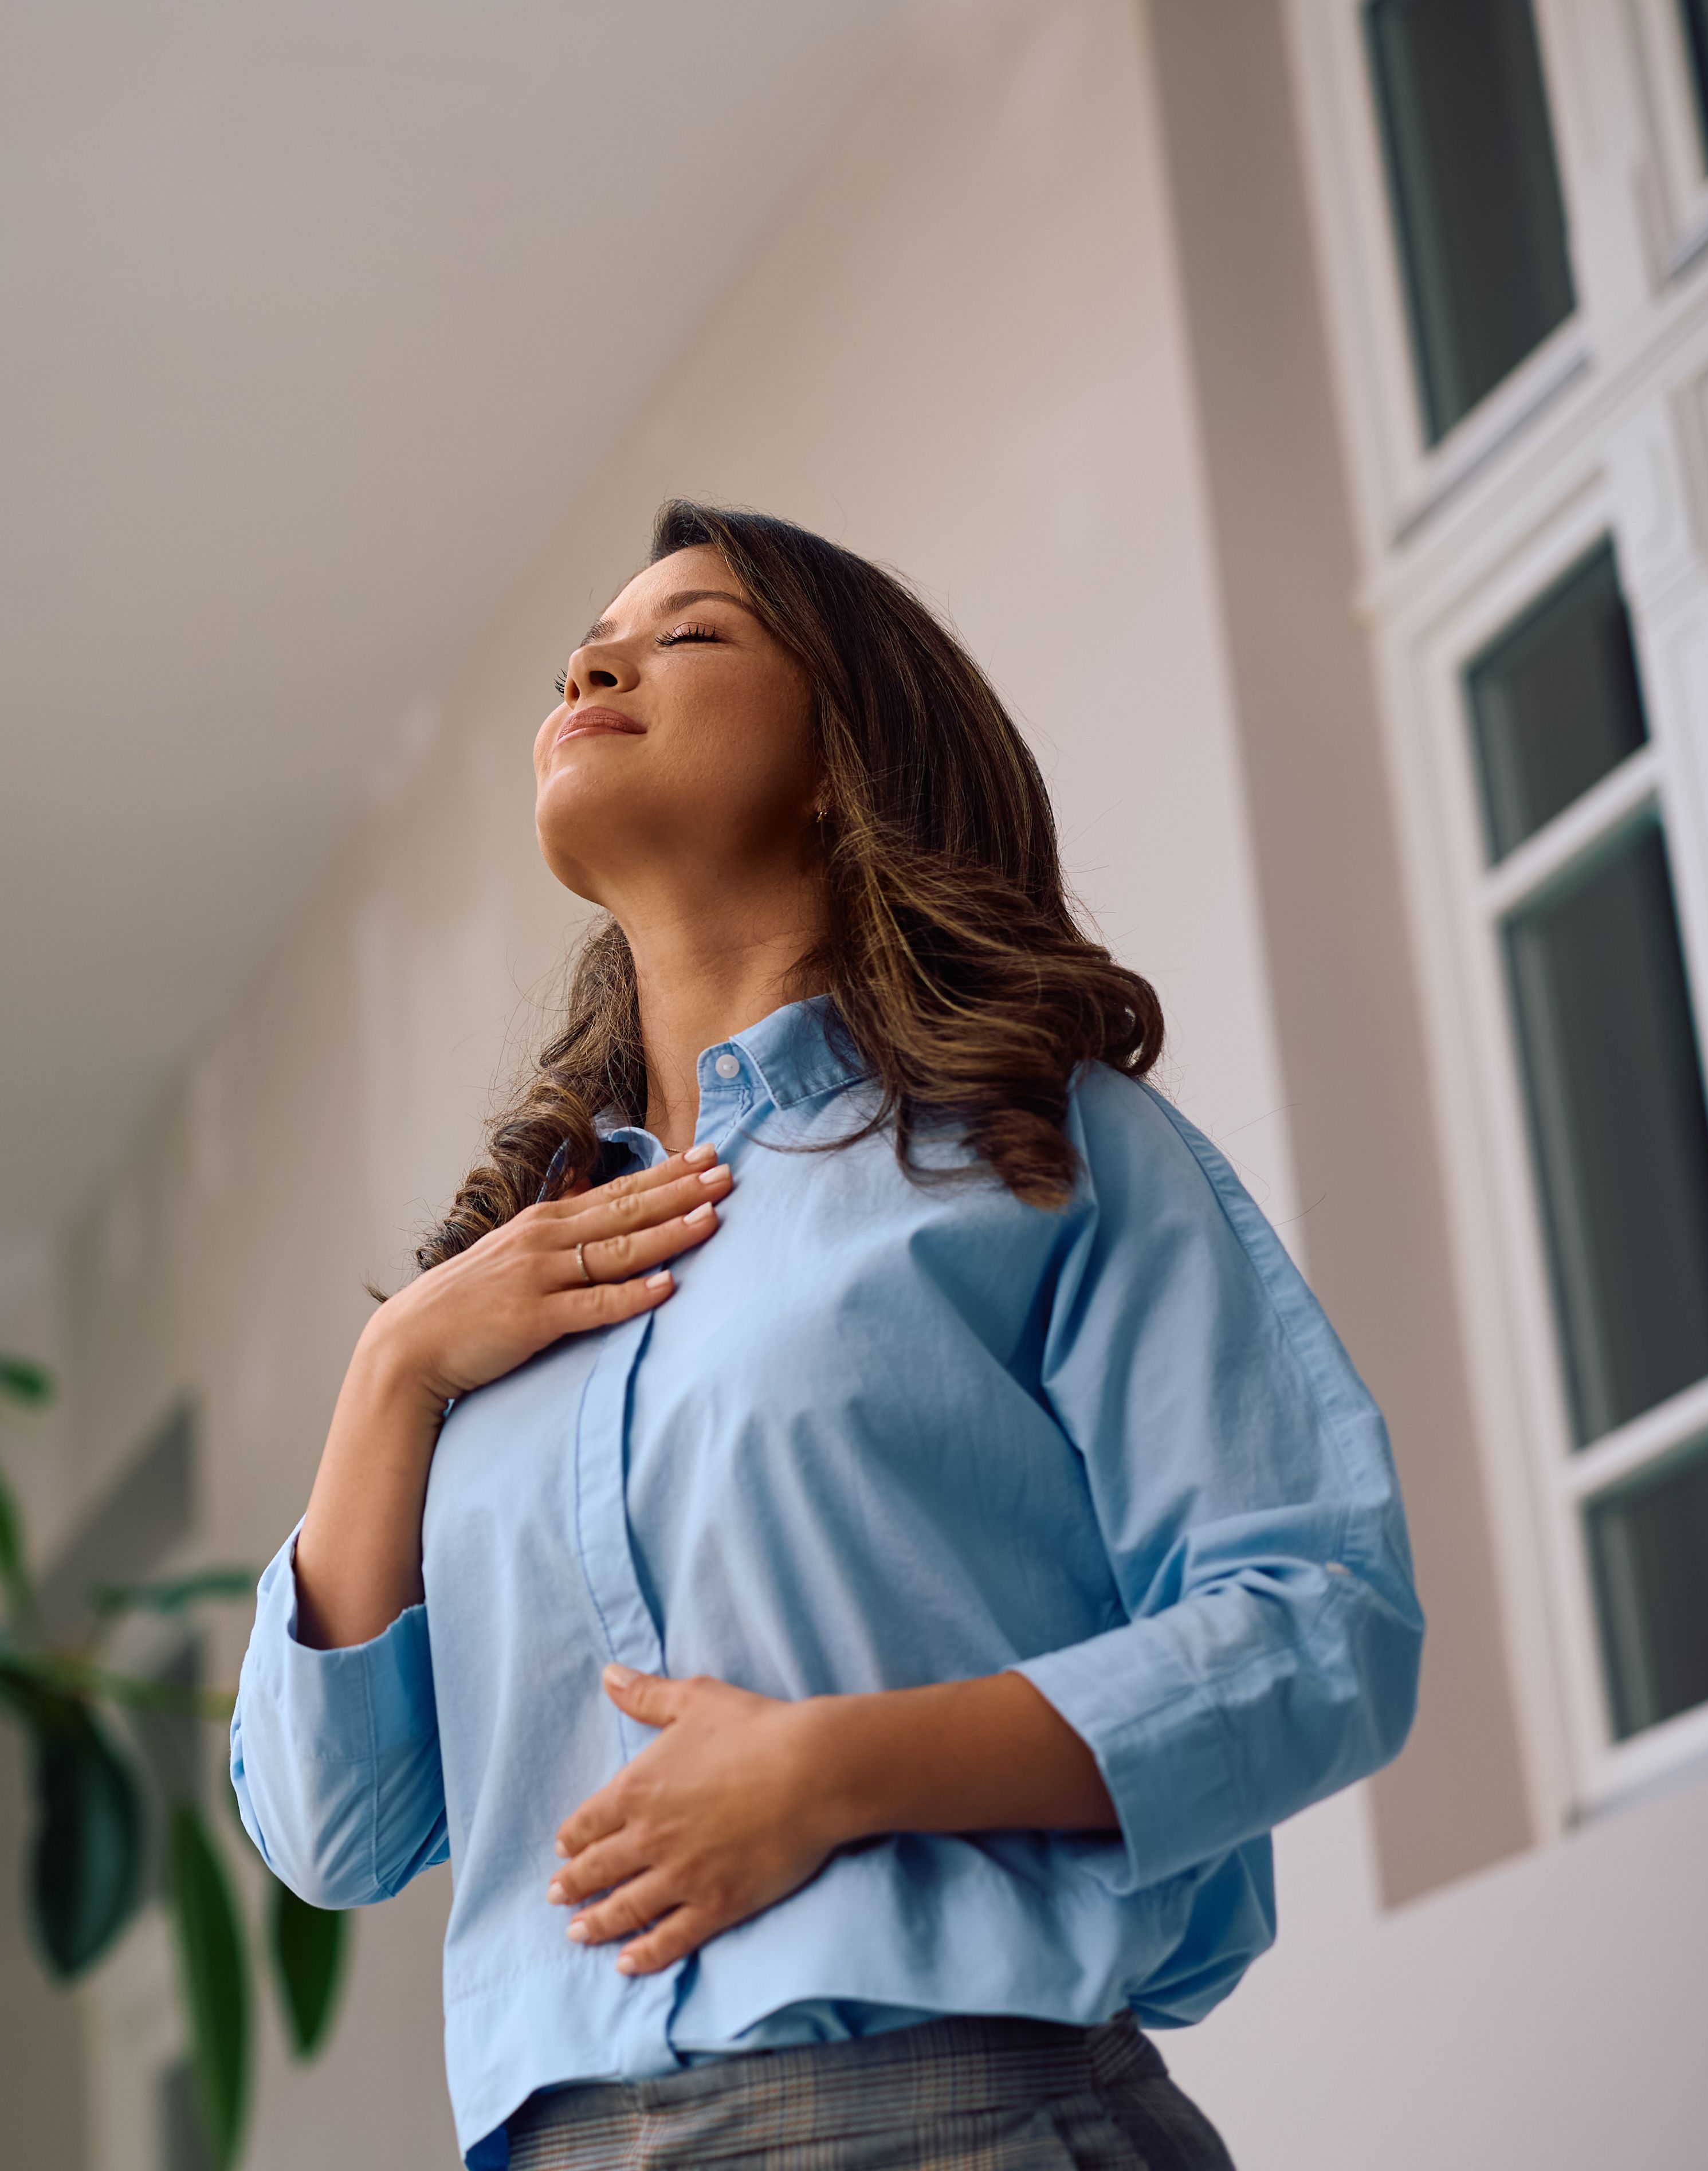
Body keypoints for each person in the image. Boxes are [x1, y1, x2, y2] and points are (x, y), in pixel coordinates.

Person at [229, 502, 1421, 2170]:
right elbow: (334, 1832)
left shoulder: (1038, 1148)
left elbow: (1321, 1630)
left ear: (841, 754)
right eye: (592, 638)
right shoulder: (501, 1294)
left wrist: (834, 1773)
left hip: (963, 2121)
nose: (592, 663)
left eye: (692, 632)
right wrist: (394, 1372)